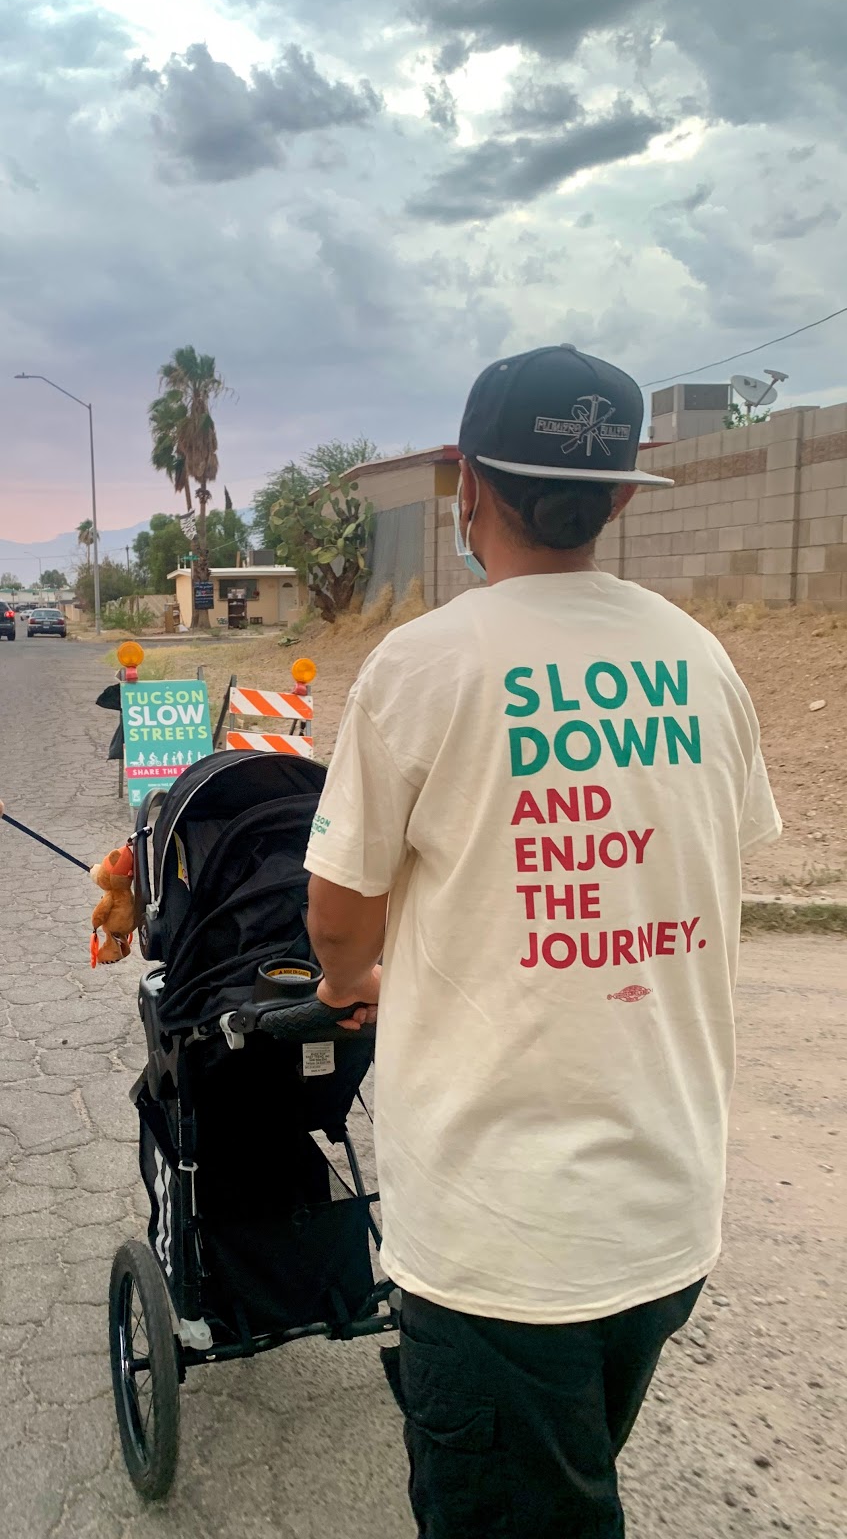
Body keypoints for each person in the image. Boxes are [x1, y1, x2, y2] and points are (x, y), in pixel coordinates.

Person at [304, 344, 781, 1538]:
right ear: (619, 496)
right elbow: (717, 856)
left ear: (466, 486)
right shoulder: (703, 659)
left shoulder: (422, 665)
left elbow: (337, 911)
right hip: (666, 1217)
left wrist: (352, 977)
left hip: (501, 1248)